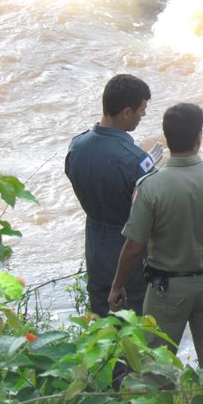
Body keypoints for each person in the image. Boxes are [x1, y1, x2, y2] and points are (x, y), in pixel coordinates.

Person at [108, 102, 203, 367]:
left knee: (154, 367)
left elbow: (135, 247)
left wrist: (117, 285)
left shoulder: (151, 187)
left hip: (167, 290)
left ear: (167, 139)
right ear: (199, 137)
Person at [65, 74, 154, 318]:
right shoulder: (136, 160)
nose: (143, 115)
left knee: (102, 333)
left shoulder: (76, 147)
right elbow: (150, 214)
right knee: (133, 334)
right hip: (129, 262)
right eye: (141, 110)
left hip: (96, 252)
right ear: (127, 112)